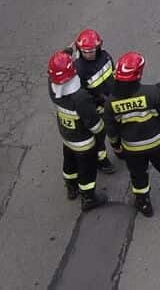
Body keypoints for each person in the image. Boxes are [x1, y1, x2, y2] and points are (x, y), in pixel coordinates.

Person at [104, 51, 160, 218]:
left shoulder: (111, 102)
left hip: (132, 149)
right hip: (158, 143)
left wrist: (116, 146)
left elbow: (111, 128)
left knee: (138, 175)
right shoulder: (152, 93)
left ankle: (144, 203)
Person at [48, 50, 108, 211]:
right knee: (87, 170)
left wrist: (66, 53)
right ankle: (88, 198)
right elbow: (94, 123)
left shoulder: (52, 87)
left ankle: (71, 187)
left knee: (69, 162)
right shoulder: (80, 98)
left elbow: (55, 69)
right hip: (84, 142)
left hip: (67, 136)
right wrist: (101, 135)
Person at [66, 28, 117, 172]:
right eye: (85, 51)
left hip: (111, 100)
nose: (89, 54)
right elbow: (82, 95)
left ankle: (119, 150)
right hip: (96, 108)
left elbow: (113, 76)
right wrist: (101, 101)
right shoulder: (79, 69)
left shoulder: (105, 57)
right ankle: (102, 162)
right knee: (99, 136)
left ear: (99, 46)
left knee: (117, 128)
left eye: (92, 50)